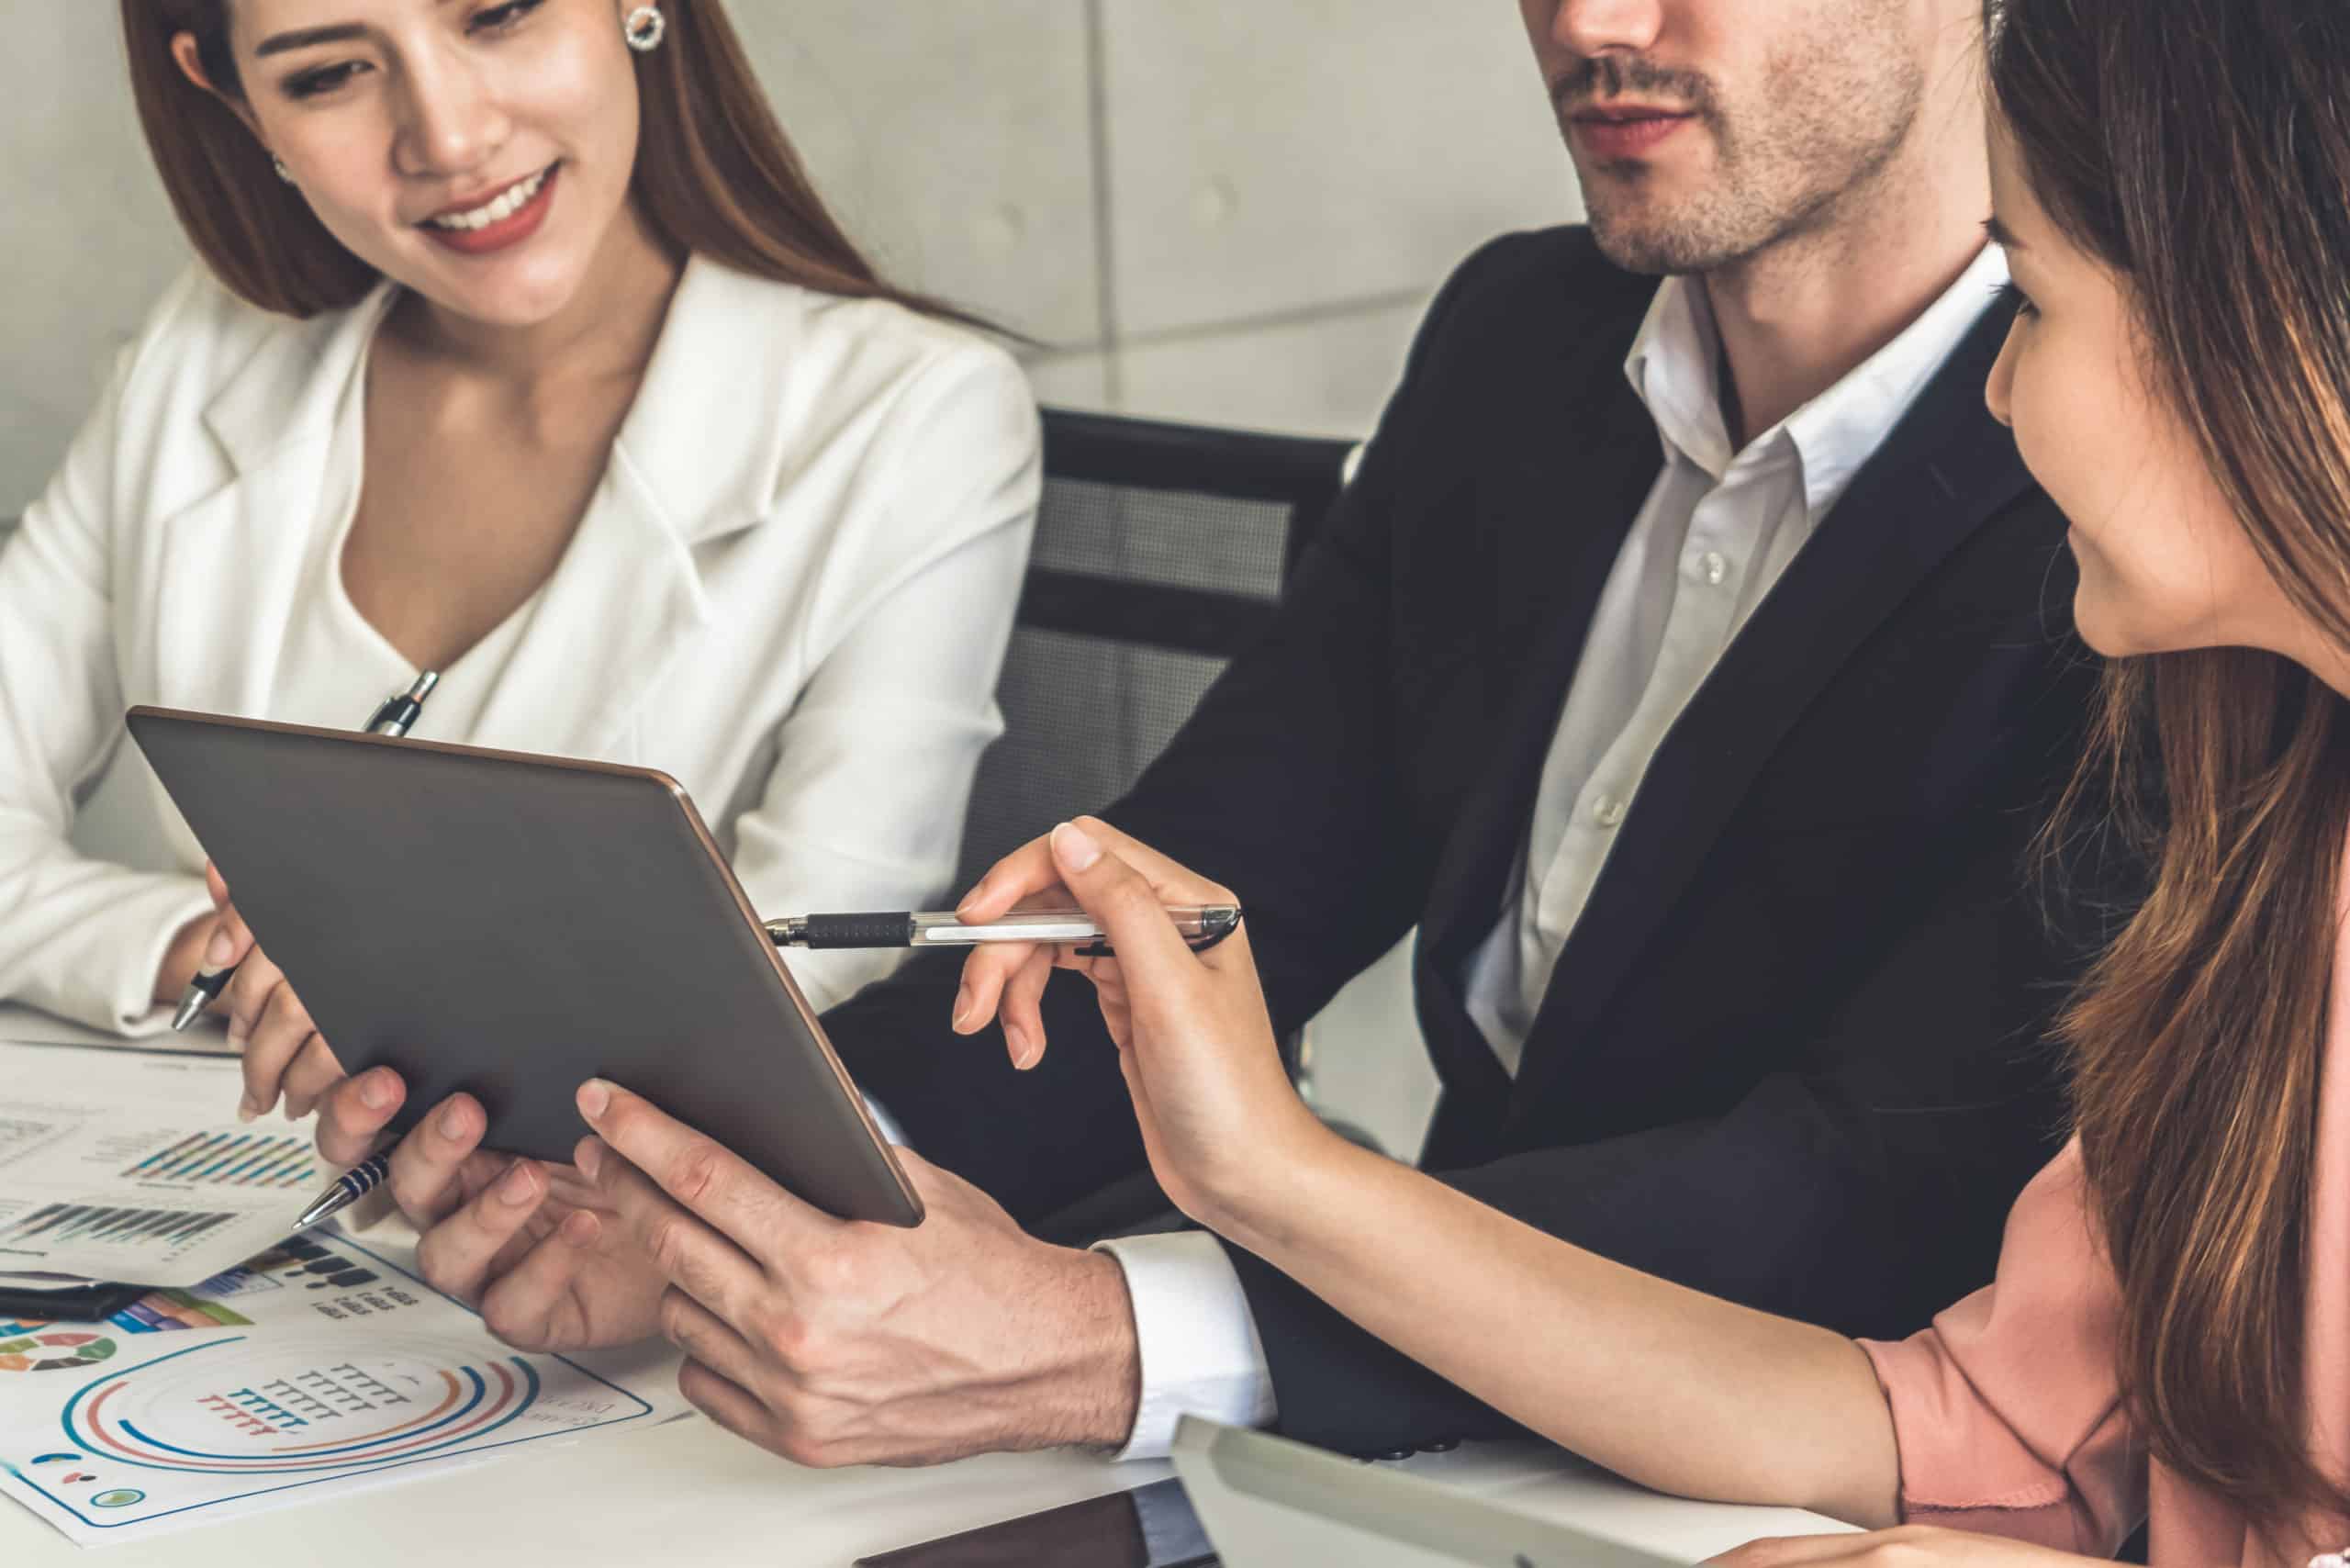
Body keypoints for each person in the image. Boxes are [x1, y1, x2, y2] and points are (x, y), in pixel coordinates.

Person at [571, 0, 2350, 1561]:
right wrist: (718, 1172)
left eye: (2033, 301)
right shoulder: (1517, 340)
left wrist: (1108, 1324)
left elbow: (1844, 1207)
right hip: (1491, 1477)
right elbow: (1162, 909)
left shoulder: (2150, 606)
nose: (1587, 19)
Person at [0, 0, 1039, 1103]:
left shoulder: (917, 419)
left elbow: (815, 985)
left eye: (498, 15)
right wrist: (205, 951)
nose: (448, 139)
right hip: (222, 1168)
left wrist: (406, 998)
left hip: (596, 1221)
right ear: (232, 98)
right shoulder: (201, 354)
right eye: (329, 75)